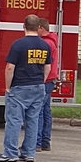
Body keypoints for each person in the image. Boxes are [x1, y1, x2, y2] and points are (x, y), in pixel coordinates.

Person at [0, 14, 51, 162]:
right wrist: (41, 81)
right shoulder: (45, 45)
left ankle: (10, 153)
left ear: (23, 26)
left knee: (14, 120)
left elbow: (10, 67)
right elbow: (48, 67)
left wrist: (7, 87)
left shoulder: (18, 45)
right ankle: (28, 153)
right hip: (38, 86)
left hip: (20, 86)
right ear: (39, 27)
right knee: (33, 120)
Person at [35, 18, 58, 152]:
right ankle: (45, 142)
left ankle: (36, 142)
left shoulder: (45, 44)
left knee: (37, 112)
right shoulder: (52, 41)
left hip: (45, 80)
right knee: (45, 111)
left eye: (37, 29)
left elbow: (43, 64)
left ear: (41, 28)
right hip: (50, 80)